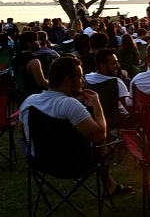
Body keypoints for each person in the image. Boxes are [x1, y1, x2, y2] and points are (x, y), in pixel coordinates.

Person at [19, 56, 133, 196]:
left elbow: (23, 132)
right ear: (68, 80)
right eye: (79, 77)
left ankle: (110, 185)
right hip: (74, 166)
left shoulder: (29, 102)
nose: (82, 81)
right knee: (103, 147)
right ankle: (110, 186)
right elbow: (99, 137)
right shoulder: (69, 105)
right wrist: (96, 104)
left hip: (40, 163)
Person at [84, 48, 131, 118]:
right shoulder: (116, 82)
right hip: (116, 122)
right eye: (113, 63)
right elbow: (129, 107)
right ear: (102, 65)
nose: (118, 66)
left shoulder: (86, 79)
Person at [11, 31, 49, 101]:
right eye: (37, 40)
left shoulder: (15, 59)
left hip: (22, 95)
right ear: (29, 43)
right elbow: (42, 83)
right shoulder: (34, 62)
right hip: (36, 97)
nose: (39, 42)